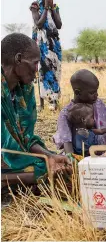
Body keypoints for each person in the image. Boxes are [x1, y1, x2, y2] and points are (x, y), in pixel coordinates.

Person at [1, 33, 71, 185]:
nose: (37, 70)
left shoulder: (25, 90)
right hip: (4, 159)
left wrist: (49, 156)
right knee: (45, 171)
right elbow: (5, 148)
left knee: (64, 163)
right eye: (35, 63)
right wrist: (43, 168)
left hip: (13, 158)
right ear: (18, 59)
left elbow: (26, 138)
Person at [53, 69, 106, 157]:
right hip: (78, 157)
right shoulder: (66, 114)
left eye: (96, 91)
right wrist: (75, 164)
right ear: (77, 92)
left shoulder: (99, 105)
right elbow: (67, 143)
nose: (96, 95)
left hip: (100, 153)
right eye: (92, 92)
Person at [30, 0, 62, 110]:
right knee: (43, 69)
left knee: (55, 70)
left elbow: (59, 24)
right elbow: (38, 24)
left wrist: (52, 8)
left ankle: (54, 100)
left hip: (53, 42)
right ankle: (43, 102)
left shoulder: (55, 7)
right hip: (41, 43)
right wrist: (45, 8)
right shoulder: (35, 6)